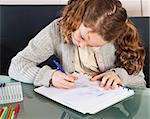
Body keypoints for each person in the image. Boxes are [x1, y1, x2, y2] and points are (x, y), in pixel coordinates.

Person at [8, 0, 146, 89]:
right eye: (81, 36)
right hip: (72, 105)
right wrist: (48, 76)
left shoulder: (121, 35)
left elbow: (140, 83)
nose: (81, 46)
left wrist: (121, 75)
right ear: (76, 20)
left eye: (93, 45)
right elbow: (17, 65)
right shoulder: (58, 29)